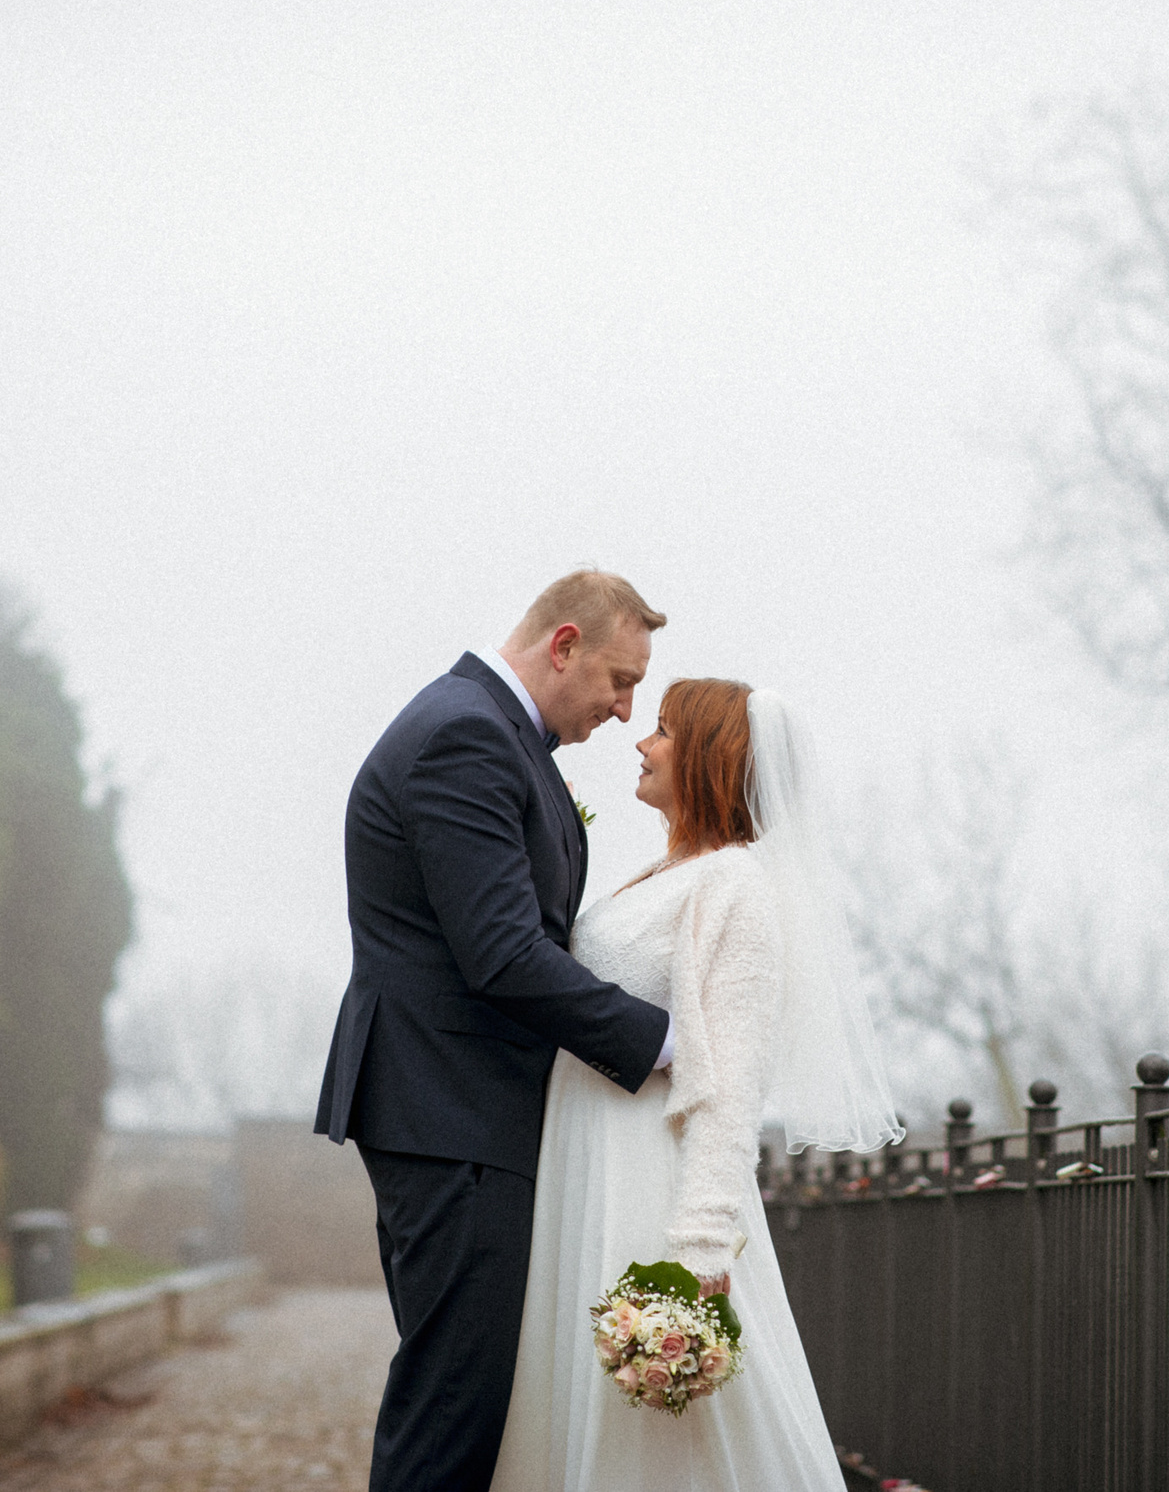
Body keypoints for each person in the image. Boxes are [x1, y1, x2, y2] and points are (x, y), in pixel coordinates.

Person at [489, 676, 903, 1491]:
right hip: (586, 1167)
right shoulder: (664, 872)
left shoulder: (735, 889)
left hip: (649, 1180)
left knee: (656, 1440)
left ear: (712, 757)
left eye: (666, 731)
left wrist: (701, 1245)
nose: (643, 742)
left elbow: (733, 1083)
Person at [316, 570, 678, 1492]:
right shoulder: (466, 735)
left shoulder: (497, 734)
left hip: (460, 1115)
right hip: (452, 1112)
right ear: (563, 644)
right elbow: (506, 955)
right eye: (619, 678)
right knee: (451, 1409)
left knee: (468, 1400)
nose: (626, 706)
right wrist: (666, 1042)